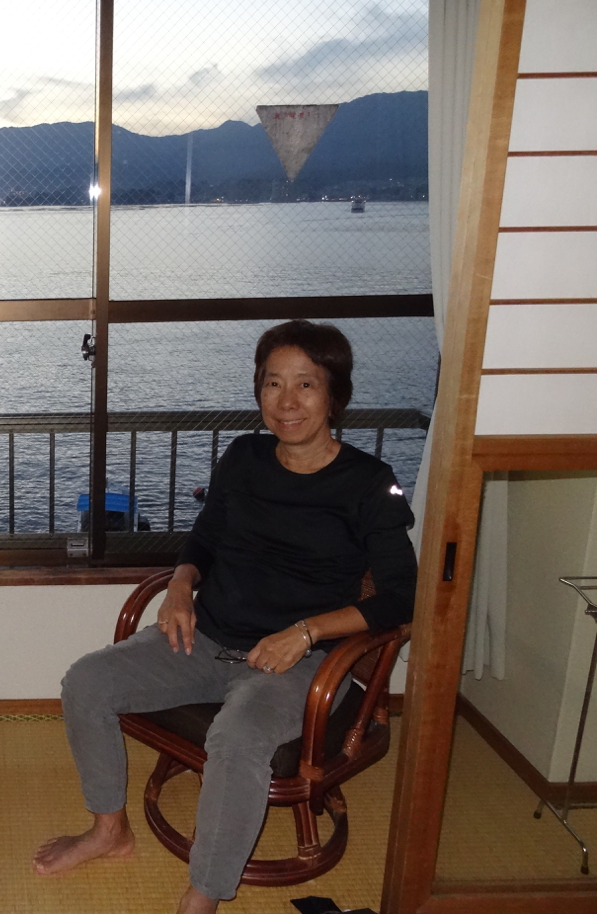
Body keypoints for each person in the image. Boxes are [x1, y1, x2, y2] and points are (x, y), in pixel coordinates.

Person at [32, 320, 416, 914]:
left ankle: (205, 894)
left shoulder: (369, 484)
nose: (286, 401)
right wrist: (180, 585)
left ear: (334, 395)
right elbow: (205, 537)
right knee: (86, 681)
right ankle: (109, 830)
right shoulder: (243, 456)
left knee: (236, 738)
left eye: (306, 384)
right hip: (206, 636)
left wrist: (306, 632)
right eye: (272, 383)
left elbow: (400, 597)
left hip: (298, 663)